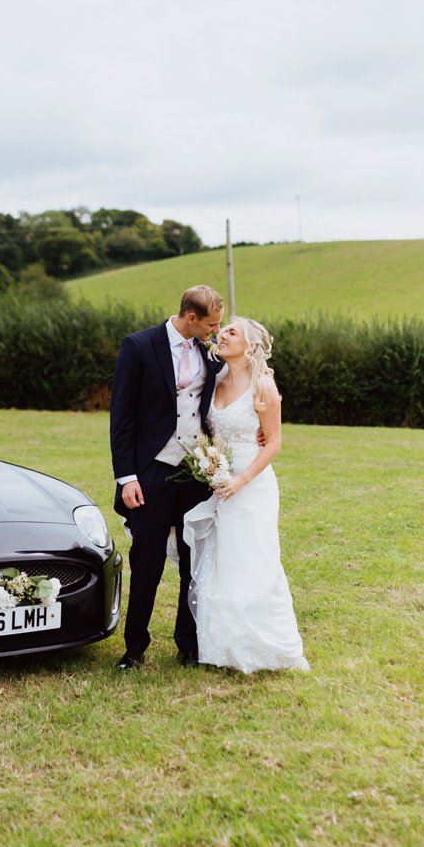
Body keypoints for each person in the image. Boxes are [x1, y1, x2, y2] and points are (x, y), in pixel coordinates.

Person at [183, 318, 309, 673]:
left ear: (250, 346)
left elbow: (274, 443)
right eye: (223, 331)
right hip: (218, 481)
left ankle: (264, 646)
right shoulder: (214, 379)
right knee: (223, 562)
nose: (222, 334)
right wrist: (211, 466)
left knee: (253, 560)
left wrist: (241, 480)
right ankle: (223, 647)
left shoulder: (262, 386)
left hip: (252, 485)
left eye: (232, 332)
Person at [110, 285, 224, 669]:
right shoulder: (139, 346)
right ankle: (134, 648)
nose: (216, 331)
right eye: (212, 324)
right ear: (191, 318)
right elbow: (121, 418)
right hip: (152, 471)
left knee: (194, 562)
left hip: (195, 474)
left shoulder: (211, 352)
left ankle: (188, 646)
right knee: (148, 562)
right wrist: (126, 477)